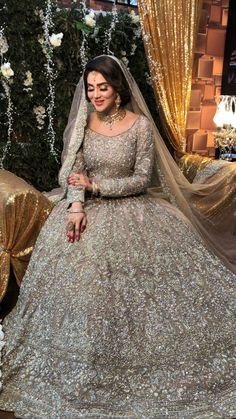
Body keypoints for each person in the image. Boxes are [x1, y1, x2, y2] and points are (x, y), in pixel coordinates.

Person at [0, 55, 235, 418]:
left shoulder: (140, 126)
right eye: (90, 88)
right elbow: (73, 172)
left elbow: (142, 179)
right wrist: (76, 205)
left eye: (102, 88)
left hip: (135, 211)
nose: (95, 95)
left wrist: (98, 185)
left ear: (119, 90)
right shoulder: (85, 121)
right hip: (84, 212)